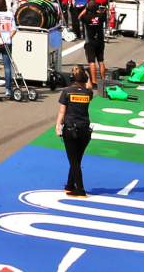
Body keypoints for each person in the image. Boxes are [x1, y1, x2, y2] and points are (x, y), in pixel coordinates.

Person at [58, 66, 94, 198]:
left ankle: (81, 189)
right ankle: (69, 185)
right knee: (76, 160)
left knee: (73, 161)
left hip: (70, 130)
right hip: (85, 131)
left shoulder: (67, 92)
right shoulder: (88, 93)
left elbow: (62, 111)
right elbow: (90, 87)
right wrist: (89, 76)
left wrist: (57, 125)